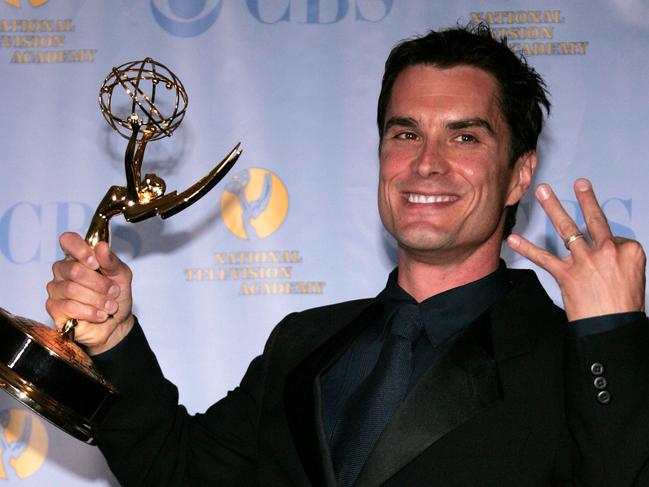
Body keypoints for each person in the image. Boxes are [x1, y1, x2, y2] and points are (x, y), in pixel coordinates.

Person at [46, 25, 648, 486]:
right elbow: (179, 470)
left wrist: (612, 334)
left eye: (465, 136)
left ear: (518, 176)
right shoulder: (303, 343)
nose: (426, 162)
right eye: (405, 132)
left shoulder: (582, 359)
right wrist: (115, 337)